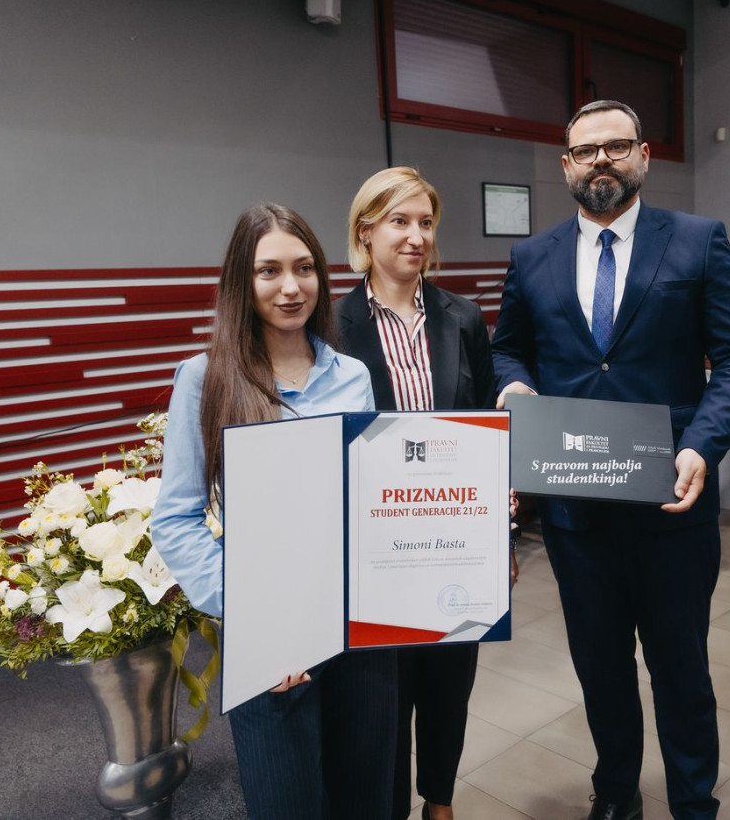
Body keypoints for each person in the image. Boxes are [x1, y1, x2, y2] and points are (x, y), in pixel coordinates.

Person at [492, 99, 730, 820]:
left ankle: (693, 800)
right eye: (587, 151)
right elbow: (508, 348)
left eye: (617, 146)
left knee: (681, 668)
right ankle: (616, 792)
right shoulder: (532, 256)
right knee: (601, 668)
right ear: (566, 166)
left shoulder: (698, 240)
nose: (601, 160)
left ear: (644, 155)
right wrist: (514, 385)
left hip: (672, 501)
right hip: (576, 510)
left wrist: (701, 443)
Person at [152, 203, 397, 819]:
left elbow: (373, 498)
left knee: (366, 799)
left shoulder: (352, 375)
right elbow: (176, 520)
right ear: (242, 280)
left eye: (304, 268)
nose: (291, 287)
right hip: (272, 643)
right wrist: (257, 618)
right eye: (269, 271)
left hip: (361, 628)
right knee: (288, 803)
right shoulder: (205, 378)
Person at [334, 166, 505, 820]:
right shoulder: (333, 322)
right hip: (375, 542)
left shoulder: (464, 317)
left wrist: (500, 532)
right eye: (399, 221)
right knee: (384, 688)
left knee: (449, 679)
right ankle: (389, 806)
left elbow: (487, 424)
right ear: (365, 231)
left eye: (425, 222)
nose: (415, 236)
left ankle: (440, 799)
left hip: (456, 537)